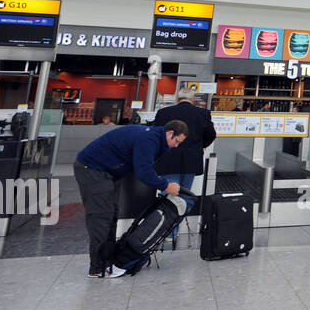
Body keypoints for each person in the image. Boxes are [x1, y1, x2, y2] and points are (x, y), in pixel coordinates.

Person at [74, 120, 188, 277]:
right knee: (101, 217)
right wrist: (166, 186)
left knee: (112, 215)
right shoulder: (149, 139)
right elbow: (144, 172)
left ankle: (109, 261)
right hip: (92, 169)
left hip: (109, 173)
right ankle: (97, 268)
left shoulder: (156, 140)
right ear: (170, 133)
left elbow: (143, 166)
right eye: (176, 141)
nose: (176, 146)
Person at [154, 84, 218, 246]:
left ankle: (162, 231)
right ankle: (173, 232)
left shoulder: (163, 113)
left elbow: (156, 134)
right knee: (182, 197)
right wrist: (198, 147)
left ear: (177, 98)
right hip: (191, 161)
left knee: (167, 196)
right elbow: (211, 135)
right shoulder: (202, 113)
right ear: (193, 100)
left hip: (167, 160)